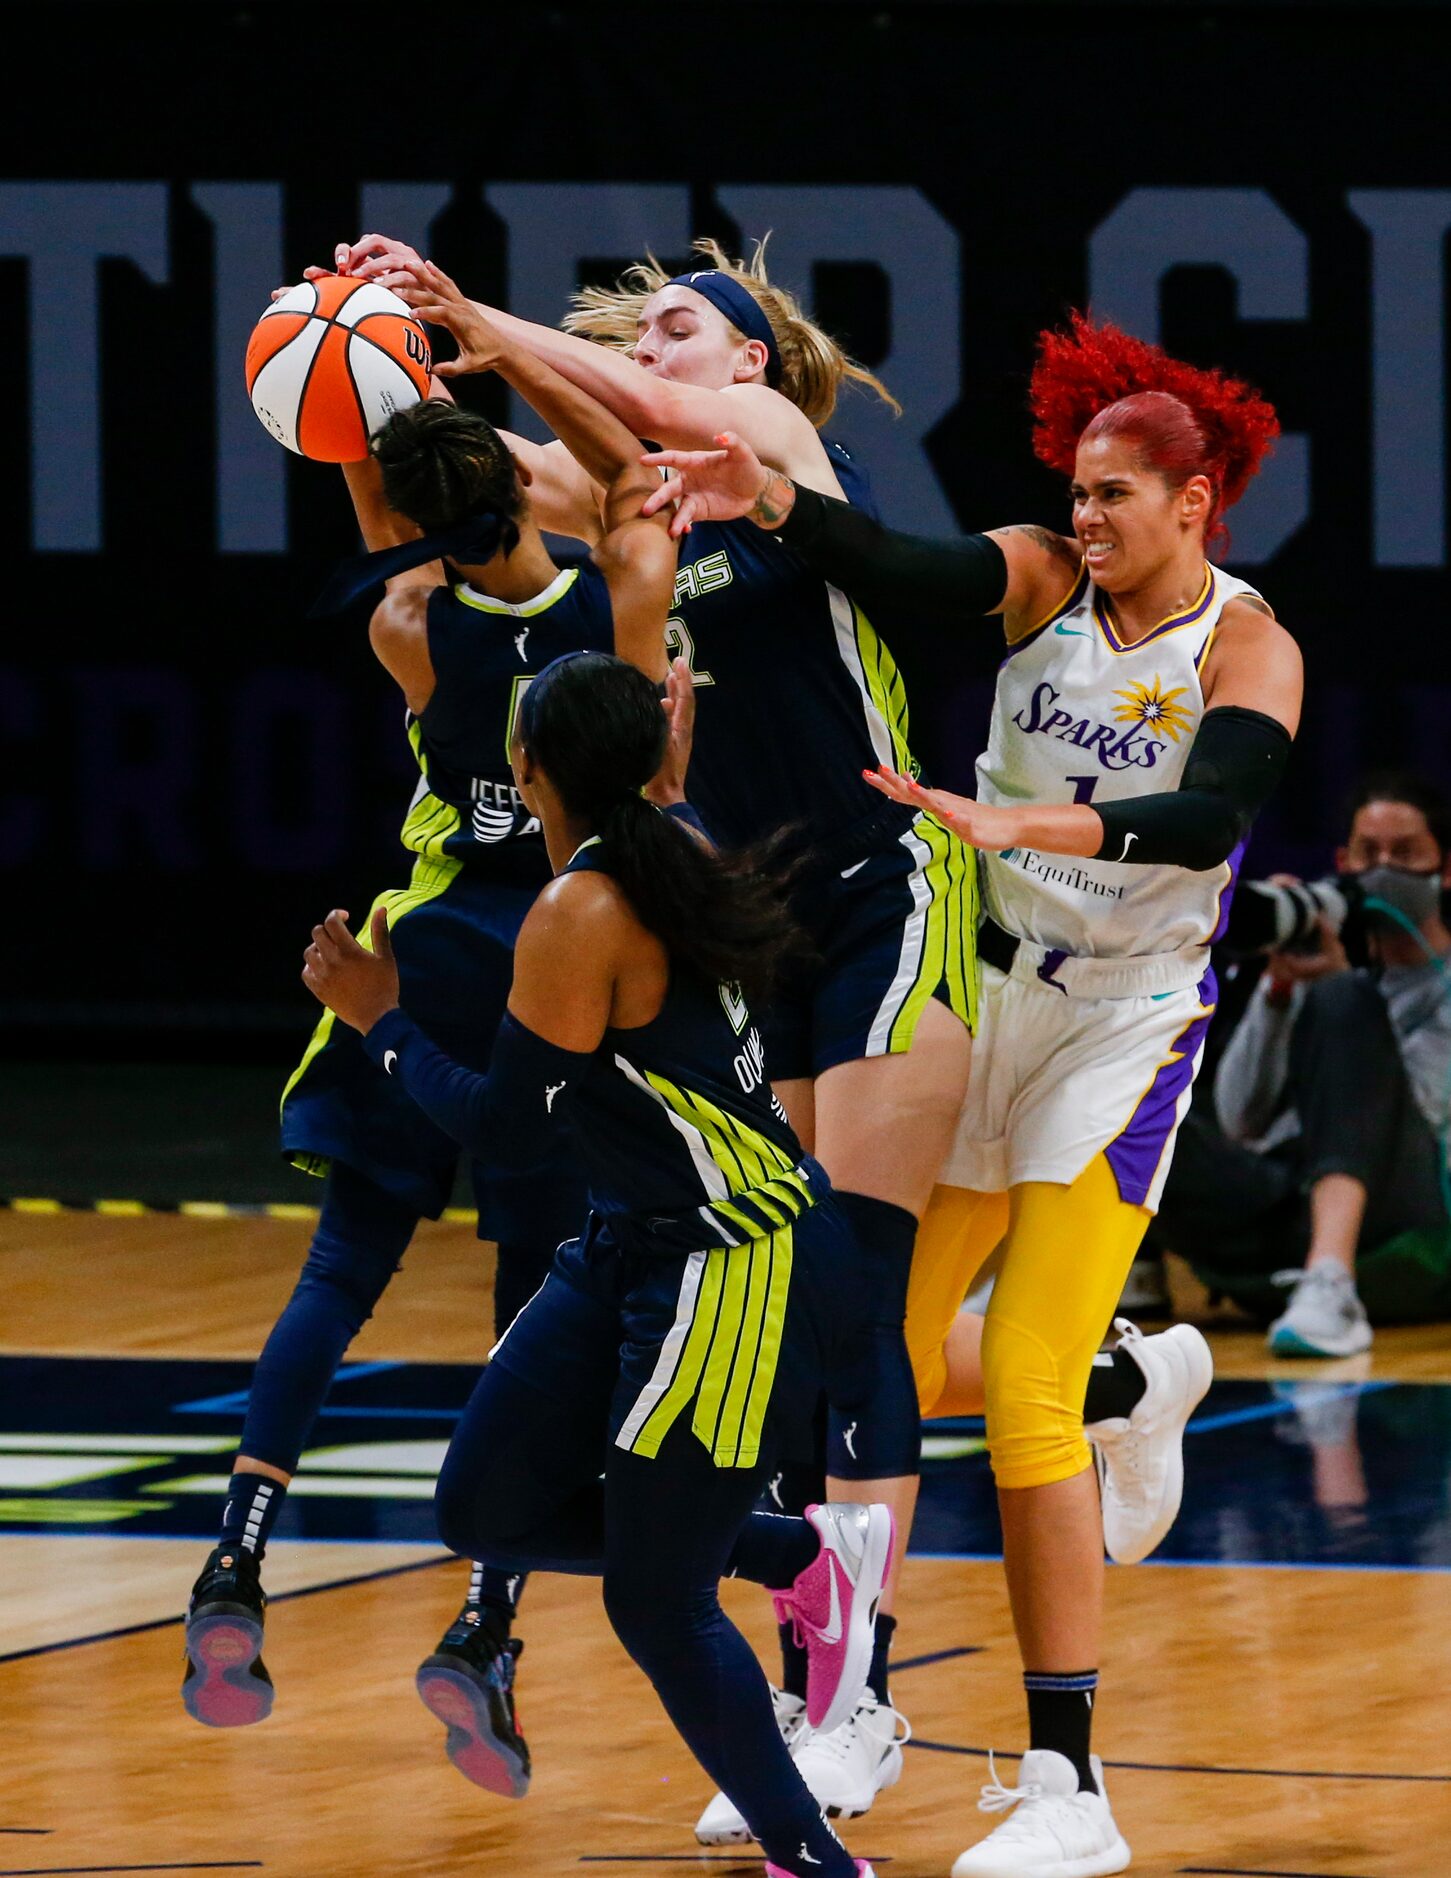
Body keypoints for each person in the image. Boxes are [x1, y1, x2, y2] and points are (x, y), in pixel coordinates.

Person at [318, 238, 978, 1819]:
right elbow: (471, 487)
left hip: (883, 880)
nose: (658, 341)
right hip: (755, 920)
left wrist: (485, 316)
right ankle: (1091, 1379)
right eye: (648, 329)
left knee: (848, 1288)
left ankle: (857, 1692)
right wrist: (366, 360)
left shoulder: (777, 456)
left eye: (688, 324)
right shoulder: (628, 508)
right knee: (818, 1311)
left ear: (749, 364)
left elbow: (613, 398)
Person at [638, 310, 1301, 1876]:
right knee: (842, 1350)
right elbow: (911, 571)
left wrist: (1024, 829)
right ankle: (864, 1682)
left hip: (1119, 1030)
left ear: (1191, 502)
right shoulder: (1041, 577)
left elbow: (1208, 814)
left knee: (1015, 1385)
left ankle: (1070, 1782)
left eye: (1113, 495)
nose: (1082, 516)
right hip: (978, 984)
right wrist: (777, 504)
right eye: (1073, 489)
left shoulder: (1243, 639)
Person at [179, 325, 681, 1801]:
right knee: (532, 1313)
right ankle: (486, 1621)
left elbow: (377, 494)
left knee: (338, 1270)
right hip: (555, 972)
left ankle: (234, 1557)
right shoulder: (619, 606)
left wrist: (344, 350)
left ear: (412, 527)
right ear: (518, 500)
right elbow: (632, 478)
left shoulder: (407, 625)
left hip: (422, 949)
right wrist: (469, 337)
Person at [301, 647, 890, 1878]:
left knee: (654, 1604)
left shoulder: (582, 909)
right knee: (479, 1507)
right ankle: (797, 1558)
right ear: (654, 762)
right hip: (631, 1242)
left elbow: (512, 1127)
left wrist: (379, 1022)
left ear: (523, 770)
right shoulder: (672, 839)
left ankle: (812, 1861)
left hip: (729, 1269)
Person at [1153, 770, 1451, 1356]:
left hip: (1404, 1214)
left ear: (1445, 867)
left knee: (1345, 1000)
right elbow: (1240, 1120)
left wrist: (1340, 993)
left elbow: (1430, 1112)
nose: (1383, 868)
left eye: (1405, 852)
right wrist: (1280, 995)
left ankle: (1331, 1280)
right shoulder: (1321, 979)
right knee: (1137, 1086)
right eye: (1369, 852)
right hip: (1289, 1205)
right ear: (1342, 861)